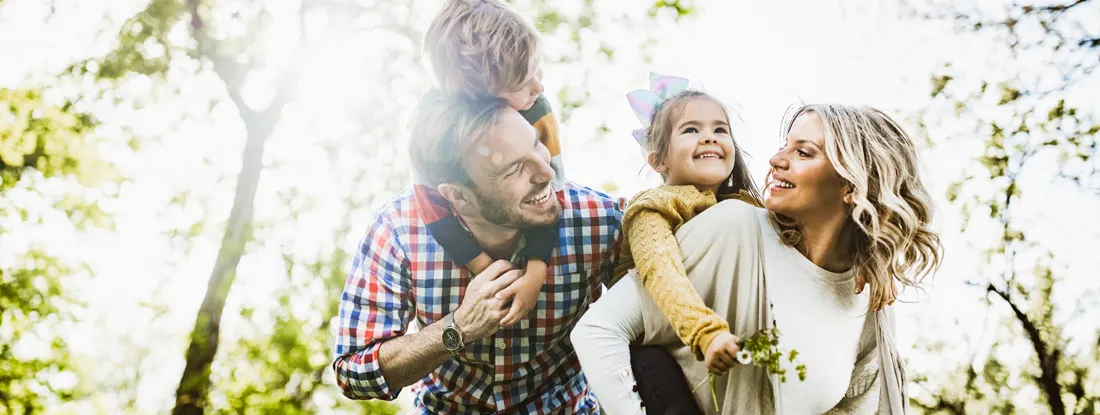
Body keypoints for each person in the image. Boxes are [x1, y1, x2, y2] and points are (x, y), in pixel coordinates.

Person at [573, 104, 943, 414]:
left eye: (803, 152)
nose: (775, 159)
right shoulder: (734, 226)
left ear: (852, 186)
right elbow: (598, 331)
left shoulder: (870, 300)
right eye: (786, 145)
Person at [332, 91, 622, 413]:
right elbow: (353, 372)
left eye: (537, 142)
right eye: (514, 169)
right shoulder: (398, 231)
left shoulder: (597, 220)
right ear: (459, 197)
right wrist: (457, 328)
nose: (546, 173)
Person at [415, 0, 565, 326]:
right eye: (522, 82)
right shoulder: (430, 134)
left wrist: (536, 272)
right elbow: (434, 212)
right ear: (480, 97)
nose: (539, 87)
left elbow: (553, 192)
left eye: (537, 71)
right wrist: (491, 272)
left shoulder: (537, 107)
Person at [612, 73, 762, 373]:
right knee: (651, 366)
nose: (710, 137)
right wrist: (706, 333)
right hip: (664, 347)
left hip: (727, 339)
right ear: (659, 162)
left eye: (720, 129)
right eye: (691, 130)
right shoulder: (652, 208)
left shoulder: (744, 209)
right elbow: (661, 272)